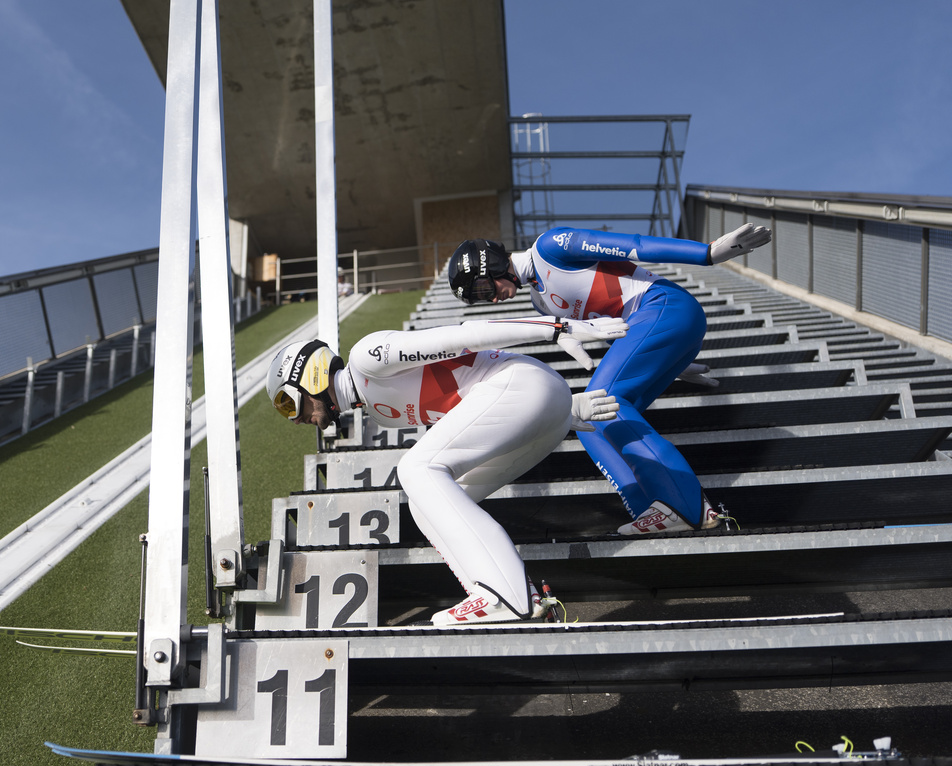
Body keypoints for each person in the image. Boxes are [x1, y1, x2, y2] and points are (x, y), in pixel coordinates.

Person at [266, 313, 627, 626]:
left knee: (416, 468)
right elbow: (468, 412)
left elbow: (465, 336)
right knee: (424, 506)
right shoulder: (378, 411)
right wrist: (558, 408)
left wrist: (554, 327)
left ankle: (505, 595)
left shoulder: (366, 358)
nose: (294, 419)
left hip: (524, 386)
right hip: (542, 408)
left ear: (309, 377)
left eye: (287, 403)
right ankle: (500, 596)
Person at [447, 224, 772, 536]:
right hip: (652, 326)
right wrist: (668, 361)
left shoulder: (551, 247)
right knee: (589, 421)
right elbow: (610, 330)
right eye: (481, 298)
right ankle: (650, 510)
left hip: (663, 306)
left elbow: (635, 245)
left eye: (484, 289)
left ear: (493, 264)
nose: (491, 299)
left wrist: (707, 254)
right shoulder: (539, 301)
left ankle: (684, 506)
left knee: (604, 400)